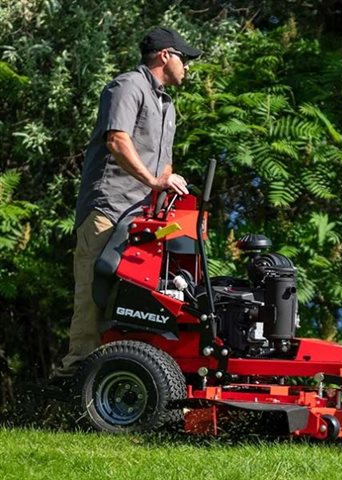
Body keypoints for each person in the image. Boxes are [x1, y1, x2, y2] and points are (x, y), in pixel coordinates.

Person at [54, 27, 202, 379]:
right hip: (109, 208)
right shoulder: (126, 87)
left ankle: (115, 371)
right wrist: (153, 181)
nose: (188, 67)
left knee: (136, 298)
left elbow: (163, 163)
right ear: (165, 55)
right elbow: (117, 140)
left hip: (143, 217)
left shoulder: (167, 105)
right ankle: (76, 371)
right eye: (185, 58)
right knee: (94, 290)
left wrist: (164, 187)